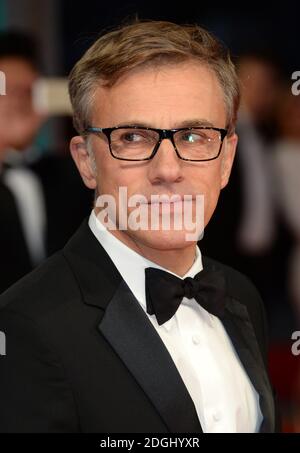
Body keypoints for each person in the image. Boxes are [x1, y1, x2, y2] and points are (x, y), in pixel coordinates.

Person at [0, 20, 277, 433]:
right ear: (86, 161)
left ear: (226, 159)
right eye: (132, 137)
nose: (168, 169)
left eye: (195, 136)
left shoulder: (241, 297)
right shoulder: (24, 325)